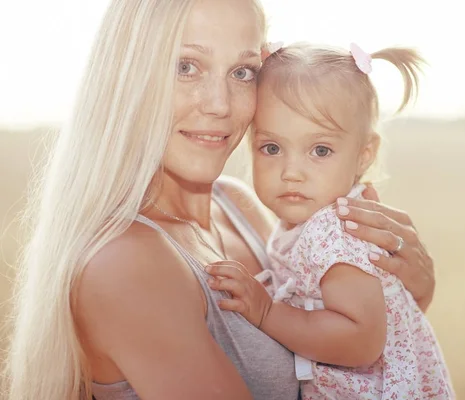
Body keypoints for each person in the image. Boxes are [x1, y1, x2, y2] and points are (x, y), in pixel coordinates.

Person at [4, 1, 436, 399]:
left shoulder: (240, 208)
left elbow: (339, 339)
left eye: (242, 72)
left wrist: (410, 291)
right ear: (127, 76)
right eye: (186, 66)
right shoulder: (125, 264)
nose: (219, 105)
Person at [206, 42, 454, 399]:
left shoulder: (335, 230)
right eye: (272, 148)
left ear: (363, 155)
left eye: (320, 150)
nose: (291, 172)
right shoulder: (306, 222)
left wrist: (267, 312)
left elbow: (361, 340)